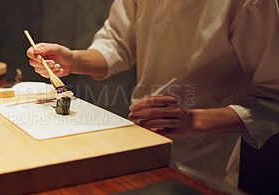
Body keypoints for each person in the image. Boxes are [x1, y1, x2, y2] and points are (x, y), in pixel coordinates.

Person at [26, 0, 279, 185]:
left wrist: (193, 120)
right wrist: (73, 59)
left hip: (206, 157)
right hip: (140, 139)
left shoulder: (252, 4)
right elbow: (116, 43)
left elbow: (273, 99)